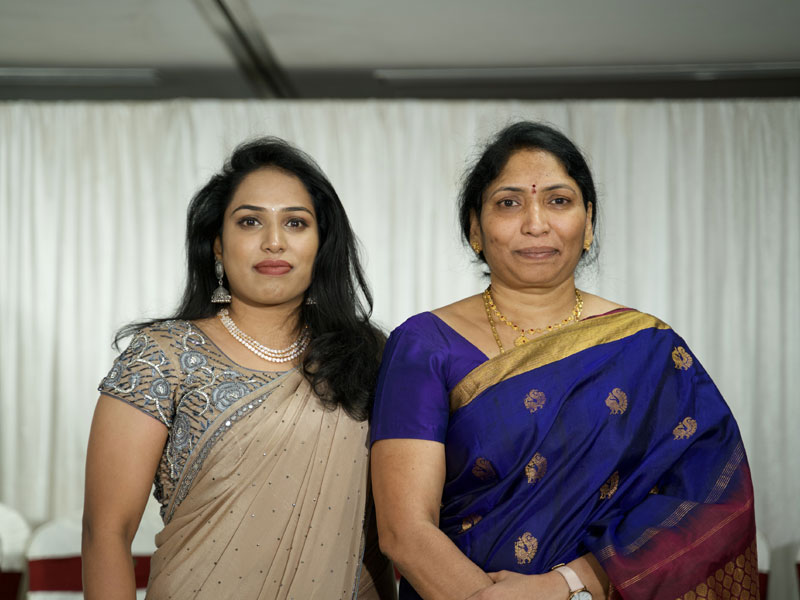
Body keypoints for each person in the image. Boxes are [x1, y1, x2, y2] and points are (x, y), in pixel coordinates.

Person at [370, 122, 758, 600]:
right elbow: (405, 530)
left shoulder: (648, 348)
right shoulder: (425, 344)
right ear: (475, 228)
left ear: (588, 222)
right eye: (508, 203)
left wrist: (567, 585)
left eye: (558, 200)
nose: (536, 224)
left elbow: (710, 502)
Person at [82, 137, 396, 599]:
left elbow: (394, 525)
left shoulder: (368, 357)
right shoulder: (162, 355)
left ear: (322, 244)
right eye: (250, 221)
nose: (274, 241)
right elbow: (105, 532)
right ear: (217, 245)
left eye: (295, 222)